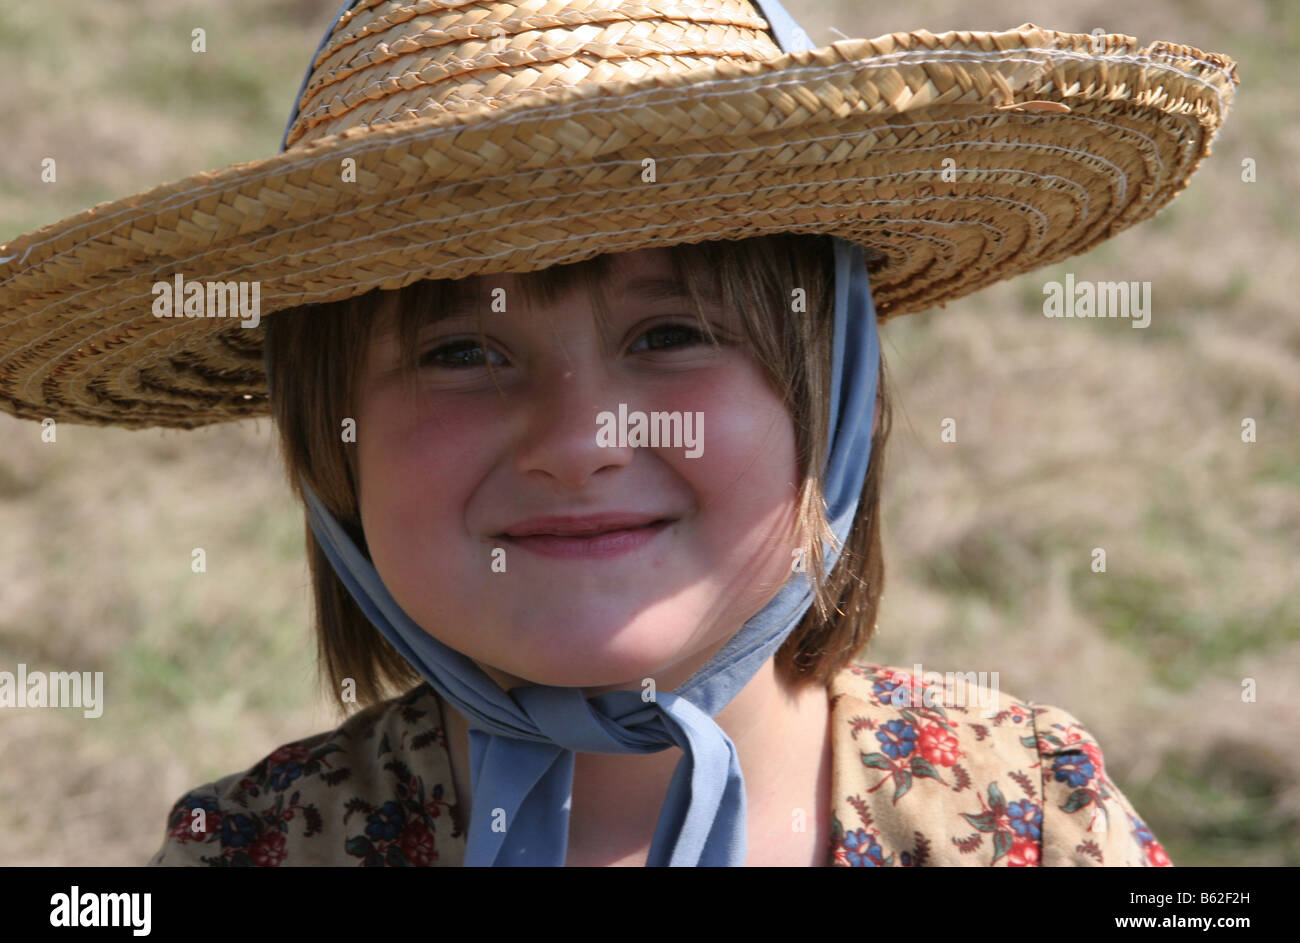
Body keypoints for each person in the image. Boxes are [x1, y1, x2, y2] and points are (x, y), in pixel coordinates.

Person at [0, 0, 1236, 866]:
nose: (580, 437)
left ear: (833, 398)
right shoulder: (258, 847)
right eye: (461, 352)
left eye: (671, 336)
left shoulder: (1027, 810)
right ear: (336, 451)